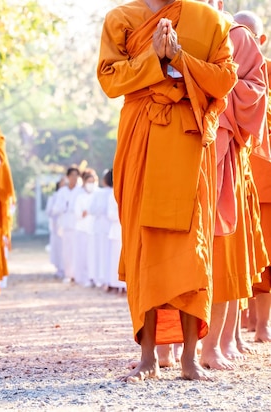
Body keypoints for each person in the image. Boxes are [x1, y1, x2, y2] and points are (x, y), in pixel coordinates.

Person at [97, 0, 237, 381]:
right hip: (142, 135)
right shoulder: (121, 20)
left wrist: (180, 56)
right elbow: (110, 79)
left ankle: (190, 358)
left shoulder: (208, 20)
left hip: (187, 139)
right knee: (145, 244)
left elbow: (225, 80)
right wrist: (155, 60)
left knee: (192, 248)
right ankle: (148, 358)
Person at [198, 0, 269, 371]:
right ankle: (163, 350)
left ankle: (219, 343)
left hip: (226, 158)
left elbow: (252, 90)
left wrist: (217, 87)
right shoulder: (159, 26)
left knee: (226, 253)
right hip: (182, 146)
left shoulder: (235, 37)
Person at [237, 10, 271, 343]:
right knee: (244, 258)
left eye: (247, 35)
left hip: (267, 181)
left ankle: (263, 324)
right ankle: (245, 322)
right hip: (243, 181)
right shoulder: (221, 70)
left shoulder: (268, 74)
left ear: (260, 40)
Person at [50, 167, 81, 282]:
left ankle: (78, 274)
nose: (74, 178)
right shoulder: (62, 192)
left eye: (76, 175)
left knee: (78, 250)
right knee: (67, 251)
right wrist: (64, 207)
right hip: (66, 225)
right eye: (72, 175)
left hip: (78, 225)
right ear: (68, 177)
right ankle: (68, 274)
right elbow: (56, 208)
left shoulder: (80, 191)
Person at [74, 169, 98, 287]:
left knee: (94, 255)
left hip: (94, 230)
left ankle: (94, 277)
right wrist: (87, 212)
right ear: (84, 182)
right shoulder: (80, 197)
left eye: (93, 181)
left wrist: (88, 212)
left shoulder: (98, 194)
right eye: (89, 181)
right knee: (83, 255)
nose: (91, 184)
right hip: (82, 229)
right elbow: (78, 214)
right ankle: (85, 277)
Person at [91, 169, 114, 289]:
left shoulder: (99, 193)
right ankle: (109, 280)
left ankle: (103, 279)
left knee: (101, 255)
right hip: (110, 229)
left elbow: (92, 209)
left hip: (102, 228)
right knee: (110, 256)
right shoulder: (116, 192)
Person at [46, 178, 65, 278]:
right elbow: (49, 211)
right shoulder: (53, 197)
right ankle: (59, 268)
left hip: (67, 226)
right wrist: (57, 210)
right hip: (56, 226)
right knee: (58, 248)